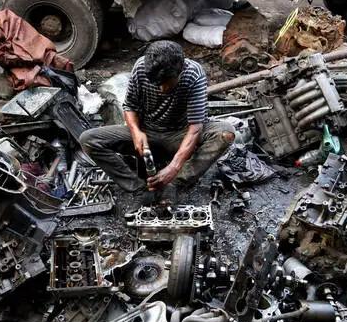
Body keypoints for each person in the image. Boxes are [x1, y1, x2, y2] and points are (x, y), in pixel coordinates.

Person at [80, 40, 235, 207]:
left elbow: (196, 128)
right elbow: (130, 106)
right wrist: (136, 132)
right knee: (88, 139)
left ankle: (175, 183)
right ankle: (139, 188)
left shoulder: (194, 74)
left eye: (167, 82)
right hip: (148, 133)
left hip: (180, 134)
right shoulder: (141, 68)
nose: (162, 89)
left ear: (180, 71)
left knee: (226, 133)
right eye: (157, 84)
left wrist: (174, 168)